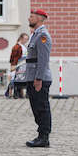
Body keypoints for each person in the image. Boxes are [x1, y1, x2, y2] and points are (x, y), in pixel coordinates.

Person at [24, 9, 52, 147]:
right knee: (36, 107)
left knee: (42, 107)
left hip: (39, 78)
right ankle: (41, 135)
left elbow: (43, 59)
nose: (29, 18)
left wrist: (39, 78)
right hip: (32, 76)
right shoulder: (35, 35)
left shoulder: (42, 35)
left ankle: (44, 137)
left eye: (32, 16)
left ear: (40, 19)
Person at [8, 33, 28, 99]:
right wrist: (13, 66)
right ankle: (12, 93)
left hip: (23, 65)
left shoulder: (23, 46)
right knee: (15, 79)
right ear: (21, 38)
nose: (26, 40)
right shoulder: (17, 47)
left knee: (20, 79)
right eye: (25, 39)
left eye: (27, 39)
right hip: (17, 65)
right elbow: (13, 58)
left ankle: (20, 94)